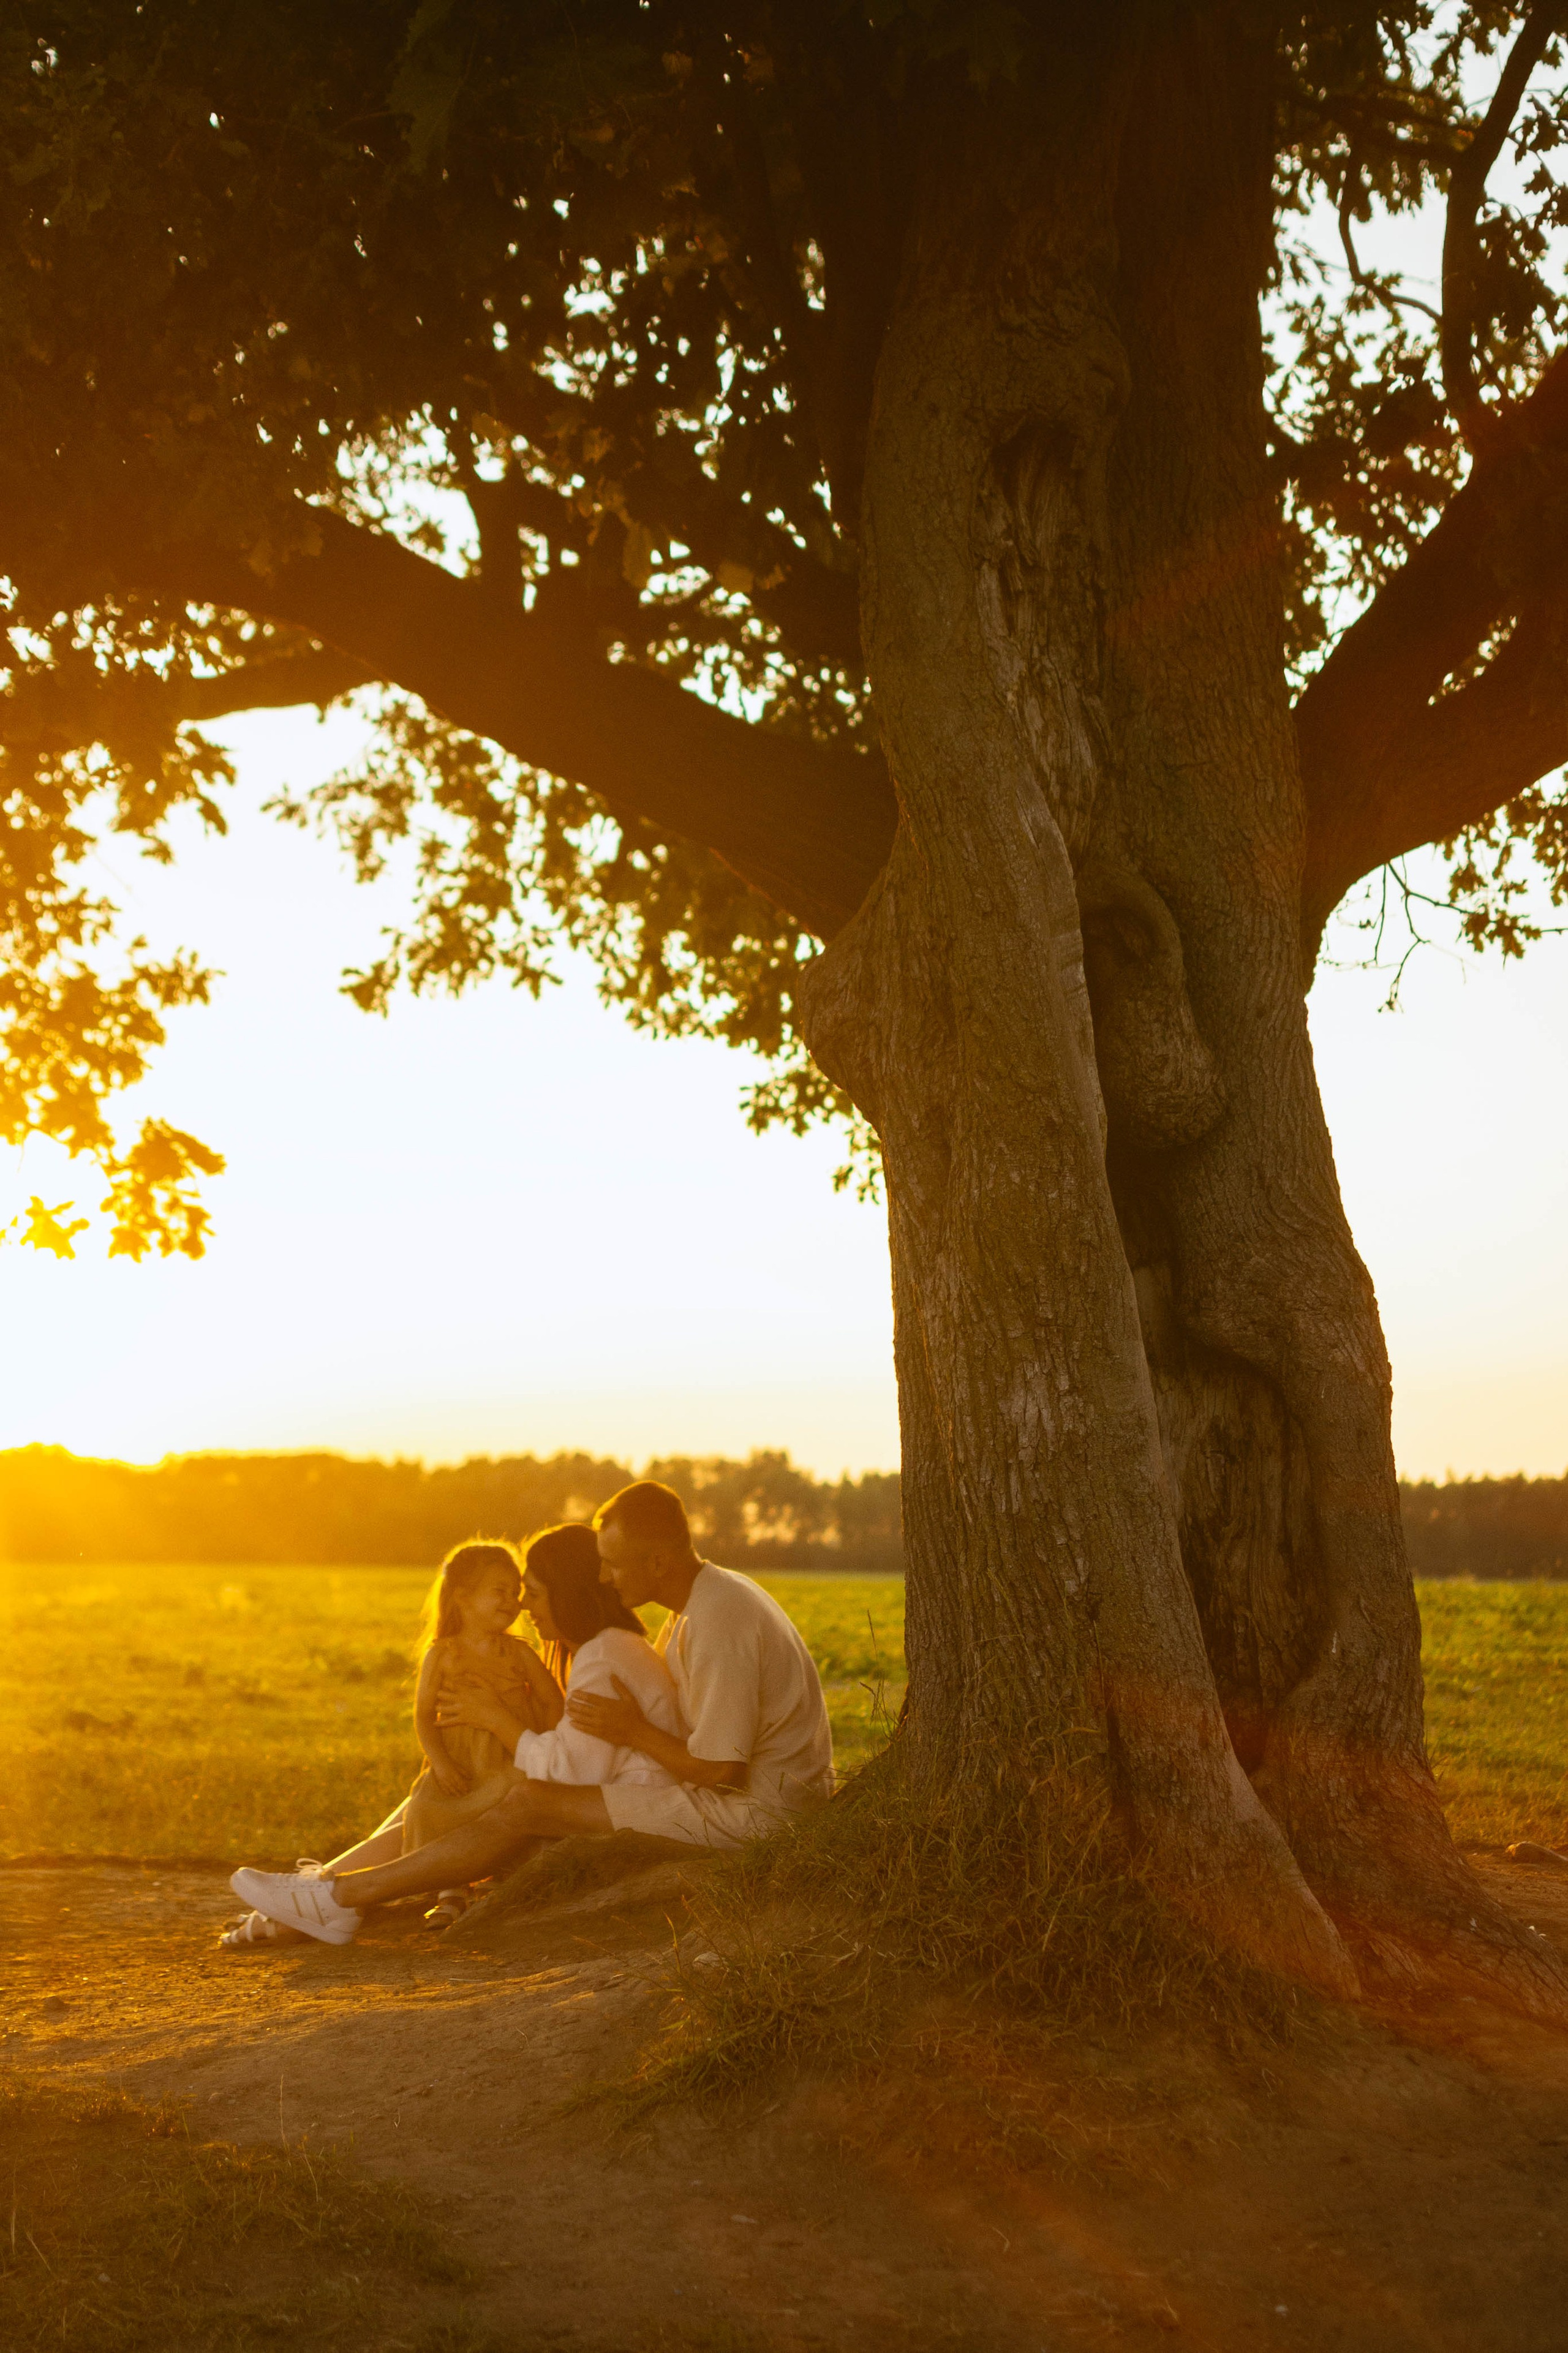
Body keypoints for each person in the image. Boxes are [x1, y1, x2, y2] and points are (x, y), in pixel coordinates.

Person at [228, 1479, 835, 1945]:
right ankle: (320, 1895)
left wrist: (623, 1730)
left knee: (522, 1801)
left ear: (657, 1562)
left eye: (615, 1563)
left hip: (758, 1815)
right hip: (721, 1794)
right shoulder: (691, 1609)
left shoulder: (715, 1620)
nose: (604, 1574)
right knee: (456, 1793)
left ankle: (335, 1898)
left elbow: (719, 1770)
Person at [401, 1538, 563, 1927]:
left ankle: (500, 1878)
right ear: (462, 1598)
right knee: (426, 1807)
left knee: (512, 1799)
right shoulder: (442, 1654)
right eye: (499, 1592)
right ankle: (450, 1889)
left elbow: (552, 1701)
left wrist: (546, 1740)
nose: (512, 1602)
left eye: (516, 1592)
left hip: (509, 1756)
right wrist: (440, 1764)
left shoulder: (519, 1653)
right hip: (459, 1763)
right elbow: (423, 1716)